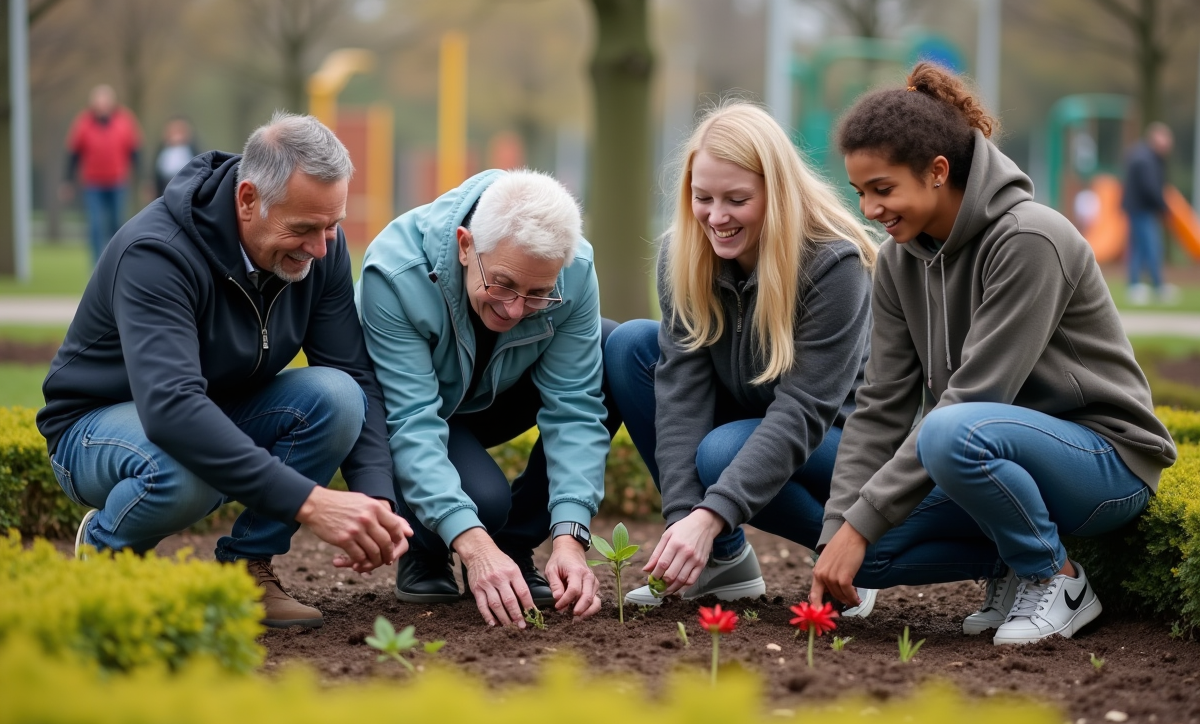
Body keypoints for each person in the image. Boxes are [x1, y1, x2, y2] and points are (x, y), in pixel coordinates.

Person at [811, 64, 1177, 645]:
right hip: (992, 454)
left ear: (937, 172)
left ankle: (1055, 578)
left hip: (1106, 463)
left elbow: (976, 398)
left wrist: (863, 521)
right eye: (861, 193)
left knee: (951, 431)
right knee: (863, 561)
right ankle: (1008, 563)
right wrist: (840, 533)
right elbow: (881, 404)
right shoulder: (900, 262)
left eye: (882, 189)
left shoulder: (1030, 238)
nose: (869, 210)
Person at [38, 112, 411, 629]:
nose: (321, 248)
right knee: (181, 467)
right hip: (96, 428)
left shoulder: (319, 250)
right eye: (303, 228)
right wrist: (311, 503)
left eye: (333, 226)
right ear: (247, 199)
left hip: (213, 409)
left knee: (339, 394)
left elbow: (353, 371)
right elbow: (171, 410)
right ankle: (105, 555)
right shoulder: (157, 252)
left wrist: (373, 497)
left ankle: (246, 571)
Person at [604, 102, 881, 613]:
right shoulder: (684, 253)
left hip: (843, 443)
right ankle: (722, 561)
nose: (716, 216)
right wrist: (686, 520)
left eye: (737, 199)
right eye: (701, 198)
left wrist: (712, 514)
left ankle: (852, 557)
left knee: (724, 452)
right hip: (748, 420)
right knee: (630, 348)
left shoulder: (833, 262)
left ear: (776, 193)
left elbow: (803, 413)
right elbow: (682, 391)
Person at [358, 169, 621, 628]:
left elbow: (575, 407)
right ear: (465, 246)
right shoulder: (396, 272)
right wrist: (473, 543)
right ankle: (428, 548)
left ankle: (515, 548)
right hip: (418, 407)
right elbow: (411, 421)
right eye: (501, 283)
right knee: (483, 502)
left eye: (538, 294)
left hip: (494, 393)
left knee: (612, 346)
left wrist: (570, 538)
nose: (514, 309)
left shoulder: (574, 270)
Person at [63, 85, 142, 267]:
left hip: (118, 181)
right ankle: (97, 266)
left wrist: (143, 179)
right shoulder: (83, 122)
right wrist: (67, 181)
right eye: (98, 100)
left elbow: (135, 151)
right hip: (93, 183)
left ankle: (117, 263)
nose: (102, 105)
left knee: (117, 224)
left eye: (105, 100)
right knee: (95, 225)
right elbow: (74, 154)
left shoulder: (125, 120)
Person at [1121, 122, 1177, 305]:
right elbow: (1150, 188)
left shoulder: (1142, 155)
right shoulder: (1146, 159)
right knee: (1151, 247)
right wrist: (1164, 206)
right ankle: (1157, 286)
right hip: (1142, 210)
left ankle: (1135, 285)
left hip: (1137, 209)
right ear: (1156, 139)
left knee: (1139, 248)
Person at [155, 116, 198, 197]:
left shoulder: (192, 149)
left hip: (186, 186)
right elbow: (156, 170)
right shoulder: (163, 149)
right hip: (165, 186)